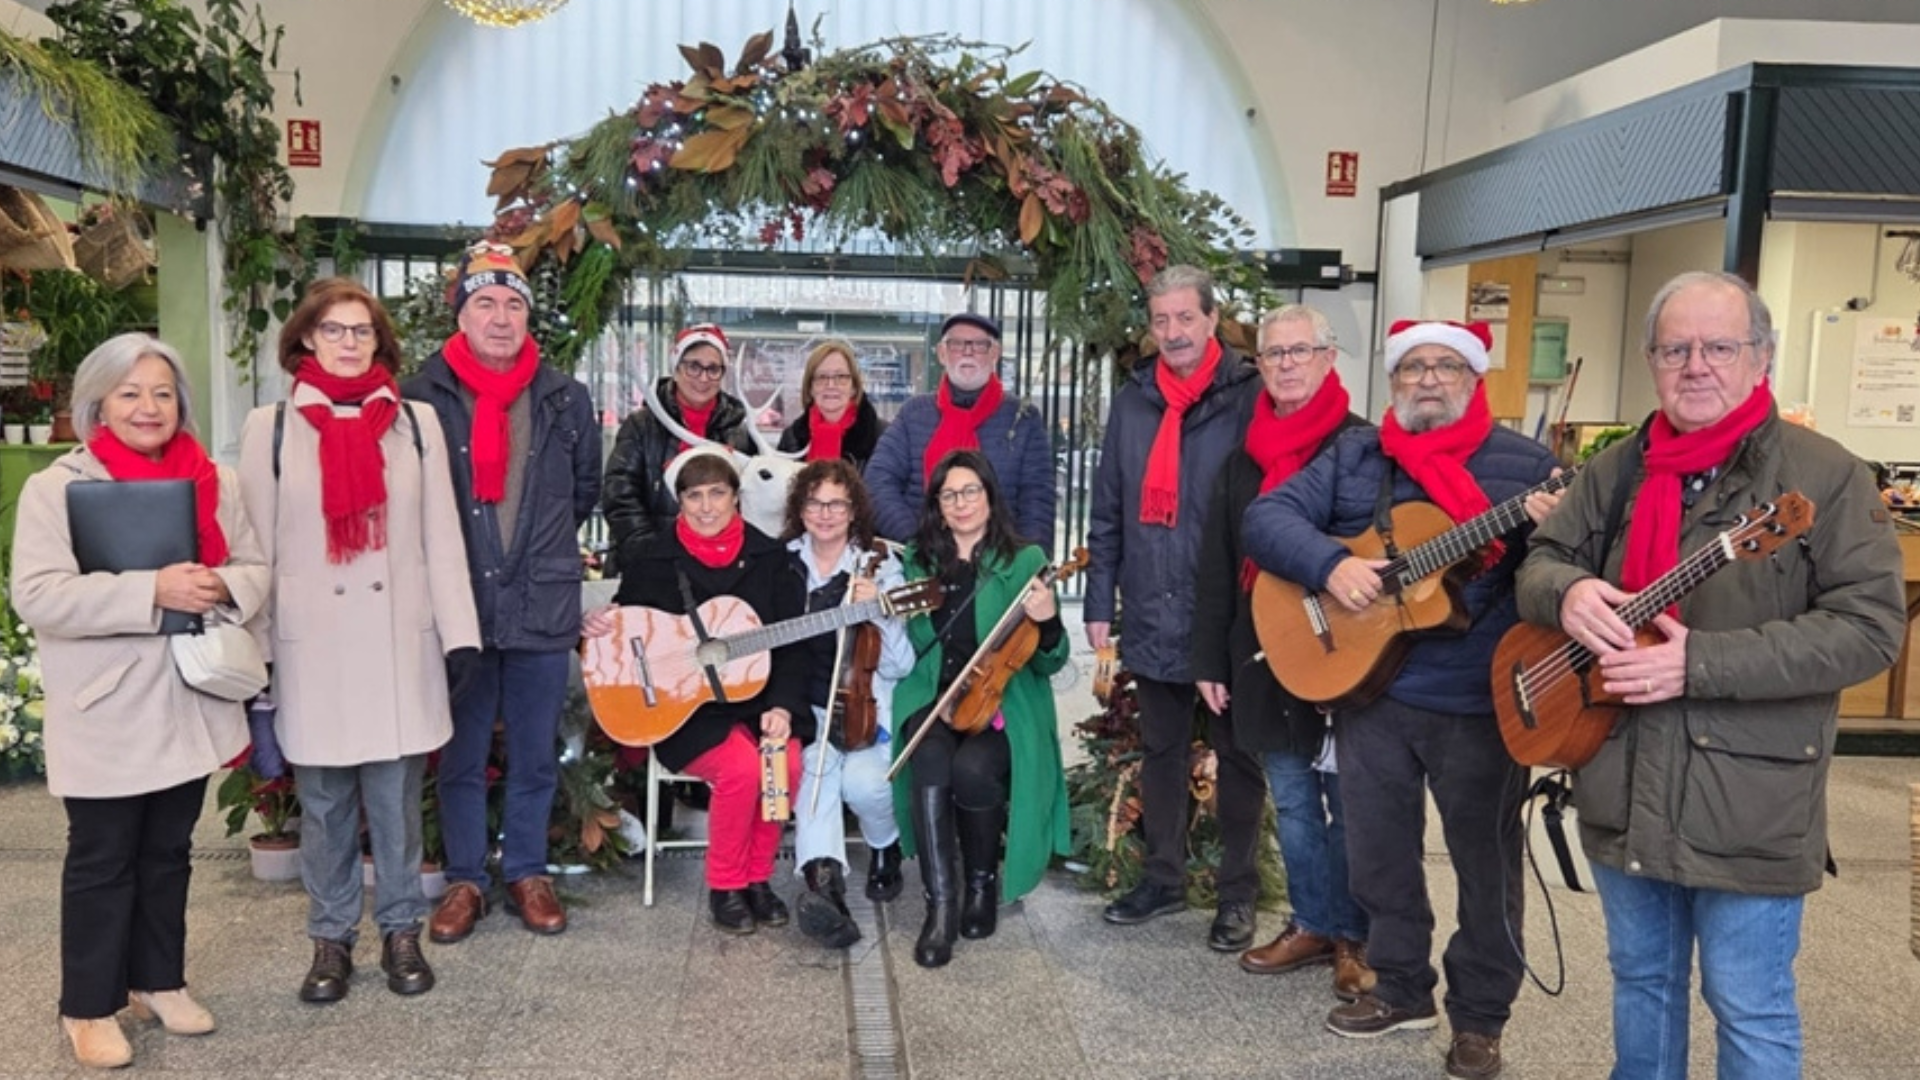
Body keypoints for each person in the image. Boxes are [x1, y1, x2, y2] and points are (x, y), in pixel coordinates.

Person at [1514, 271, 1906, 1080]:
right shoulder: (1616, 470)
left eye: (1719, 347)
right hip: (1623, 777)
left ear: (1761, 356)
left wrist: (1698, 662)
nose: (1696, 366)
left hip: (1750, 797)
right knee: (1643, 985)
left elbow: (1869, 630)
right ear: (1652, 360)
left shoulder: (1825, 476)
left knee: (1748, 1003)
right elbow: (1543, 559)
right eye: (1676, 349)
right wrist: (1568, 590)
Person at [1244, 318, 1559, 1080]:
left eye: (1446, 366)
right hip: (1373, 690)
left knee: (1486, 866)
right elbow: (1266, 519)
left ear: (1474, 379)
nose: (1428, 380)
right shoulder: (1358, 453)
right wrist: (1330, 567)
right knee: (1379, 854)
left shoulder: (1528, 468)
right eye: (1413, 368)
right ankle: (1401, 987)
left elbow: (1563, 571)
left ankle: (1480, 1017)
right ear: (1393, 382)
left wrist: (1556, 531)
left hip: (1479, 698)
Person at [10, 333, 269, 1069]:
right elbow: (39, 594)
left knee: (168, 850)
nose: (148, 407)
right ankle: (88, 1005)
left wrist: (221, 585)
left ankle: (158, 980)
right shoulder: (58, 487)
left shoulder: (213, 480)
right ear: (98, 404)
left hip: (188, 696)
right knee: (102, 857)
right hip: (107, 705)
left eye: (161, 393)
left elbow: (254, 566)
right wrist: (151, 590)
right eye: (129, 393)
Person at [238, 278, 481, 1005]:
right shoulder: (271, 428)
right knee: (323, 804)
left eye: (362, 331)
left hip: (397, 641)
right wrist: (256, 649)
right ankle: (331, 937)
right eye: (334, 330)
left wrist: (459, 636)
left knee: (396, 800)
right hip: (312, 646)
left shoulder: (414, 423)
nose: (348, 343)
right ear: (305, 340)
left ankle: (401, 929)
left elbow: (442, 537)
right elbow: (255, 550)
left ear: (381, 343)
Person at [403, 243, 601, 944]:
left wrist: (536, 552)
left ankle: (526, 871)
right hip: (456, 604)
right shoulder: (421, 398)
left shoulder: (564, 399)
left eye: (514, 304)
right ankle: (464, 879)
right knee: (459, 753)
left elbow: (581, 493)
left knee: (535, 751)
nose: (500, 317)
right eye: (485, 302)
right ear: (460, 314)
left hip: (540, 599)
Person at [1188, 305, 1374, 997]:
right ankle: (1313, 923)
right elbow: (1217, 565)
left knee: (1349, 802)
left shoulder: (1365, 447)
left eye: (1300, 351)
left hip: (1352, 651)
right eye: (1274, 354)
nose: (1287, 364)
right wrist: (1210, 661)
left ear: (1328, 358)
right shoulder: (1244, 460)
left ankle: (1355, 935)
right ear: (1259, 366)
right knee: (1293, 800)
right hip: (1266, 650)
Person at [1084, 265, 1260, 947]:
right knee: (1161, 749)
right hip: (1152, 603)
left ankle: (1237, 895)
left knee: (1238, 754)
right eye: (1161, 320)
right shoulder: (1134, 401)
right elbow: (1108, 508)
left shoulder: (1248, 396)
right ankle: (1163, 878)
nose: (1174, 332)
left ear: (1212, 319)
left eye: (1186, 317)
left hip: (1230, 610)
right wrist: (1100, 598)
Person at [585, 452, 809, 933]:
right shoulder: (654, 559)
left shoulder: (770, 558)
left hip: (761, 699)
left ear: (736, 498)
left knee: (786, 763)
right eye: (694, 496)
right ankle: (726, 885)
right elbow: (628, 631)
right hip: (686, 709)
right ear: (680, 502)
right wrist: (599, 626)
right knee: (741, 769)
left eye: (717, 494)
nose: (707, 507)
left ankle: (758, 878)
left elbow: (792, 646)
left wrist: (784, 707)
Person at [888, 450, 1071, 969]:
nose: (961, 503)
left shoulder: (1025, 561)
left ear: (990, 496)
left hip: (1003, 702)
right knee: (928, 760)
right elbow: (912, 642)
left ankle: (981, 885)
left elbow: (1052, 660)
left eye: (970, 491)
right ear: (936, 505)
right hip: (935, 696)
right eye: (948, 494)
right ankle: (940, 906)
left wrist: (1048, 621)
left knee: (973, 770)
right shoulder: (919, 560)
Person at [780, 459, 913, 948]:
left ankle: (885, 845)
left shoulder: (881, 566)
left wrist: (879, 612)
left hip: (865, 710)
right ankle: (826, 891)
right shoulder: (783, 561)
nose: (825, 514)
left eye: (837, 504)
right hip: (805, 708)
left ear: (854, 510)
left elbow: (900, 664)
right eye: (815, 503)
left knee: (864, 785)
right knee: (814, 780)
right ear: (800, 509)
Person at [865, 313, 1054, 549]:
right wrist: (914, 542)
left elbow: (1037, 500)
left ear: (995, 354)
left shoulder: (1023, 419)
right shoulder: (913, 414)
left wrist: (1023, 563)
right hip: (921, 556)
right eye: (957, 344)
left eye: (979, 345)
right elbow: (878, 482)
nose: (967, 352)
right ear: (942, 353)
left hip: (999, 561)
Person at [603, 323, 753, 573]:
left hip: (718, 568)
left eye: (713, 369)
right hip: (649, 566)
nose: (703, 378)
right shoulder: (642, 425)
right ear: (676, 368)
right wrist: (651, 553)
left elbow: (746, 501)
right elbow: (620, 496)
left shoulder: (738, 432)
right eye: (694, 366)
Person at [777, 339, 889, 470]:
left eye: (841, 377)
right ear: (810, 388)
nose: (831, 385)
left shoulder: (883, 436)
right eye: (822, 377)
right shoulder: (792, 438)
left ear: (854, 387)